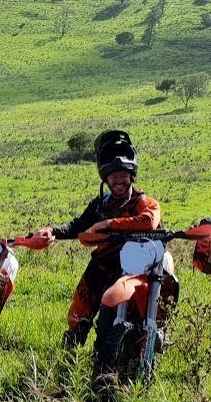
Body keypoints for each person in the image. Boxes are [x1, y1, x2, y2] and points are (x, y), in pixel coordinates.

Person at [32, 130, 160, 352]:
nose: (118, 181)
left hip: (130, 269)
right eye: (113, 176)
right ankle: (68, 359)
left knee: (109, 322)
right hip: (101, 264)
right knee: (78, 316)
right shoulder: (100, 203)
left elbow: (149, 221)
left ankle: (109, 365)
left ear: (132, 175)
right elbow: (76, 226)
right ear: (105, 178)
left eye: (123, 175)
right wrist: (51, 231)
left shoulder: (144, 202)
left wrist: (109, 224)